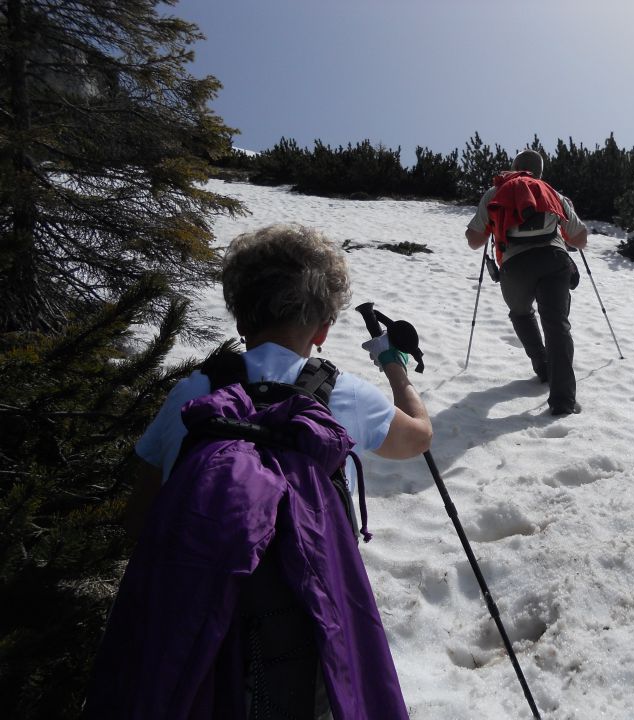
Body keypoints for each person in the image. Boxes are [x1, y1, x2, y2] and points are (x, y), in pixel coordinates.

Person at [89, 223, 431, 720]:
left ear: (240, 318)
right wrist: (394, 367)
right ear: (323, 329)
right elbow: (418, 437)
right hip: (310, 613)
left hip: (195, 617)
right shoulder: (346, 396)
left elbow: (140, 519)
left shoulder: (193, 394)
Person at [465, 149, 588, 415]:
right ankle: (563, 401)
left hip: (514, 266)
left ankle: (542, 367)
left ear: (512, 167)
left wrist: (489, 227)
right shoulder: (552, 192)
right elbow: (580, 238)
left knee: (521, 314)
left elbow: (475, 240)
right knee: (557, 326)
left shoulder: (495, 193)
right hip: (554, 260)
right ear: (540, 172)